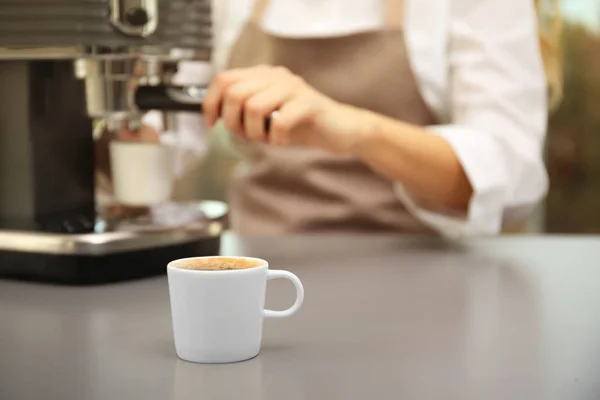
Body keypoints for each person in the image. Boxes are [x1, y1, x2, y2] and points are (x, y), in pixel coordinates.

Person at [110, 0, 563, 237]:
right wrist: (123, 120)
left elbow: (511, 177)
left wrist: (355, 129)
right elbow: (164, 139)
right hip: (256, 266)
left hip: (422, 279)